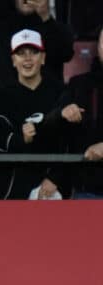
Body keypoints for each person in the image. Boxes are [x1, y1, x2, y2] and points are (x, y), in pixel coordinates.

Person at [0, 29, 81, 200]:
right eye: (21, 54)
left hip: (52, 187)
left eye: (33, 52)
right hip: (14, 187)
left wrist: (55, 178)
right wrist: (21, 139)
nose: (28, 58)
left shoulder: (60, 92)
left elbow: (72, 142)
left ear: (43, 58)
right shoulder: (2, 97)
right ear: (14, 61)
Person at [0, 0, 74, 128]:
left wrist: (46, 17)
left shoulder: (53, 29)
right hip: (8, 119)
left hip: (47, 121)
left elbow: (66, 53)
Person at [67, 26, 103, 199]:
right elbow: (51, 124)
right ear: (99, 46)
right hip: (87, 190)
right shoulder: (79, 85)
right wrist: (62, 113)